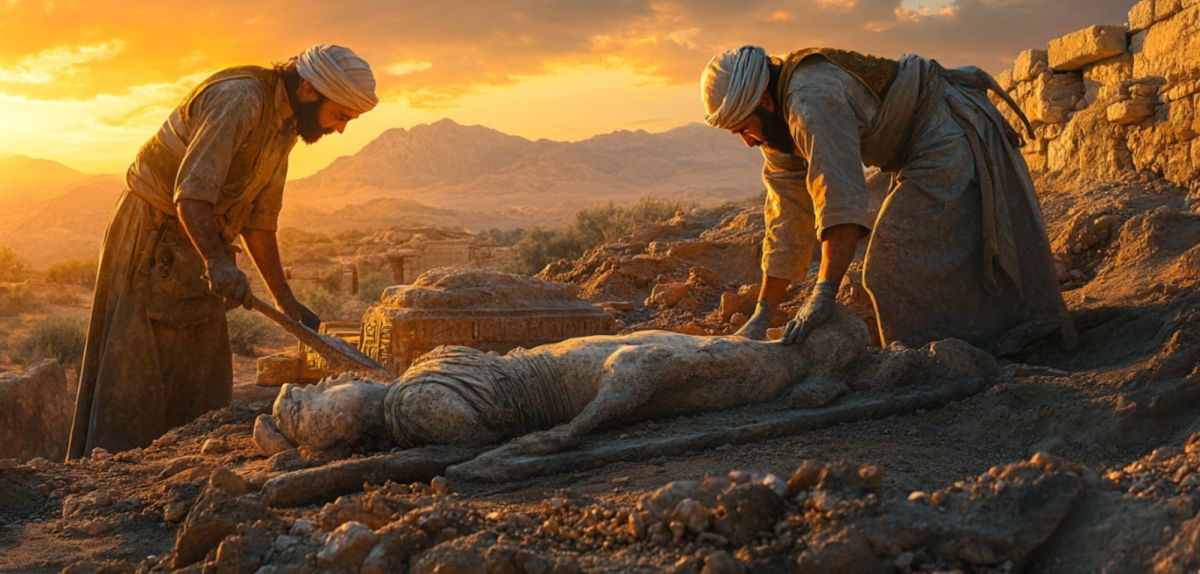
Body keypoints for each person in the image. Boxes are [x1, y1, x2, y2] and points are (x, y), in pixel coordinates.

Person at [67, 44, 378, 459]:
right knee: (136, 367)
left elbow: (260, 223)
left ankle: (175, 464)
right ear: (309, 90)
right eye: (340, 115)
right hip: (150, 236)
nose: (340, 128)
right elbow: (191, 194)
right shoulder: (241, 99)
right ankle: (110, 473)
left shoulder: (284, 127)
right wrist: (215, 261)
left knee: (201, 374)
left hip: (199, 238)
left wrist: (287, 302)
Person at [700, 46, 1075, 354]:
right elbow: (787, 218)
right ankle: (974, 343)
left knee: (889, 264)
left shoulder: (810, 100)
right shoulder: (775, 129)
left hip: (945, 134)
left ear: (764, 102)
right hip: (913, 148)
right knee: (923, 254)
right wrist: (763, 312)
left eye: (743, 129)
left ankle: (940, 360)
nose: (747, 142)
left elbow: (839, 197)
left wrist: (825, 290)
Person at [255, 305, 997, 456]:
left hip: (543, 382)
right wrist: (573, 428)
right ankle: (303, 426)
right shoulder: (759, 363)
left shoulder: (755, 366)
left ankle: (303, 427)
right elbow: (644, 362)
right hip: (539, 382)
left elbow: (644, 365)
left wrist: (575, 429)